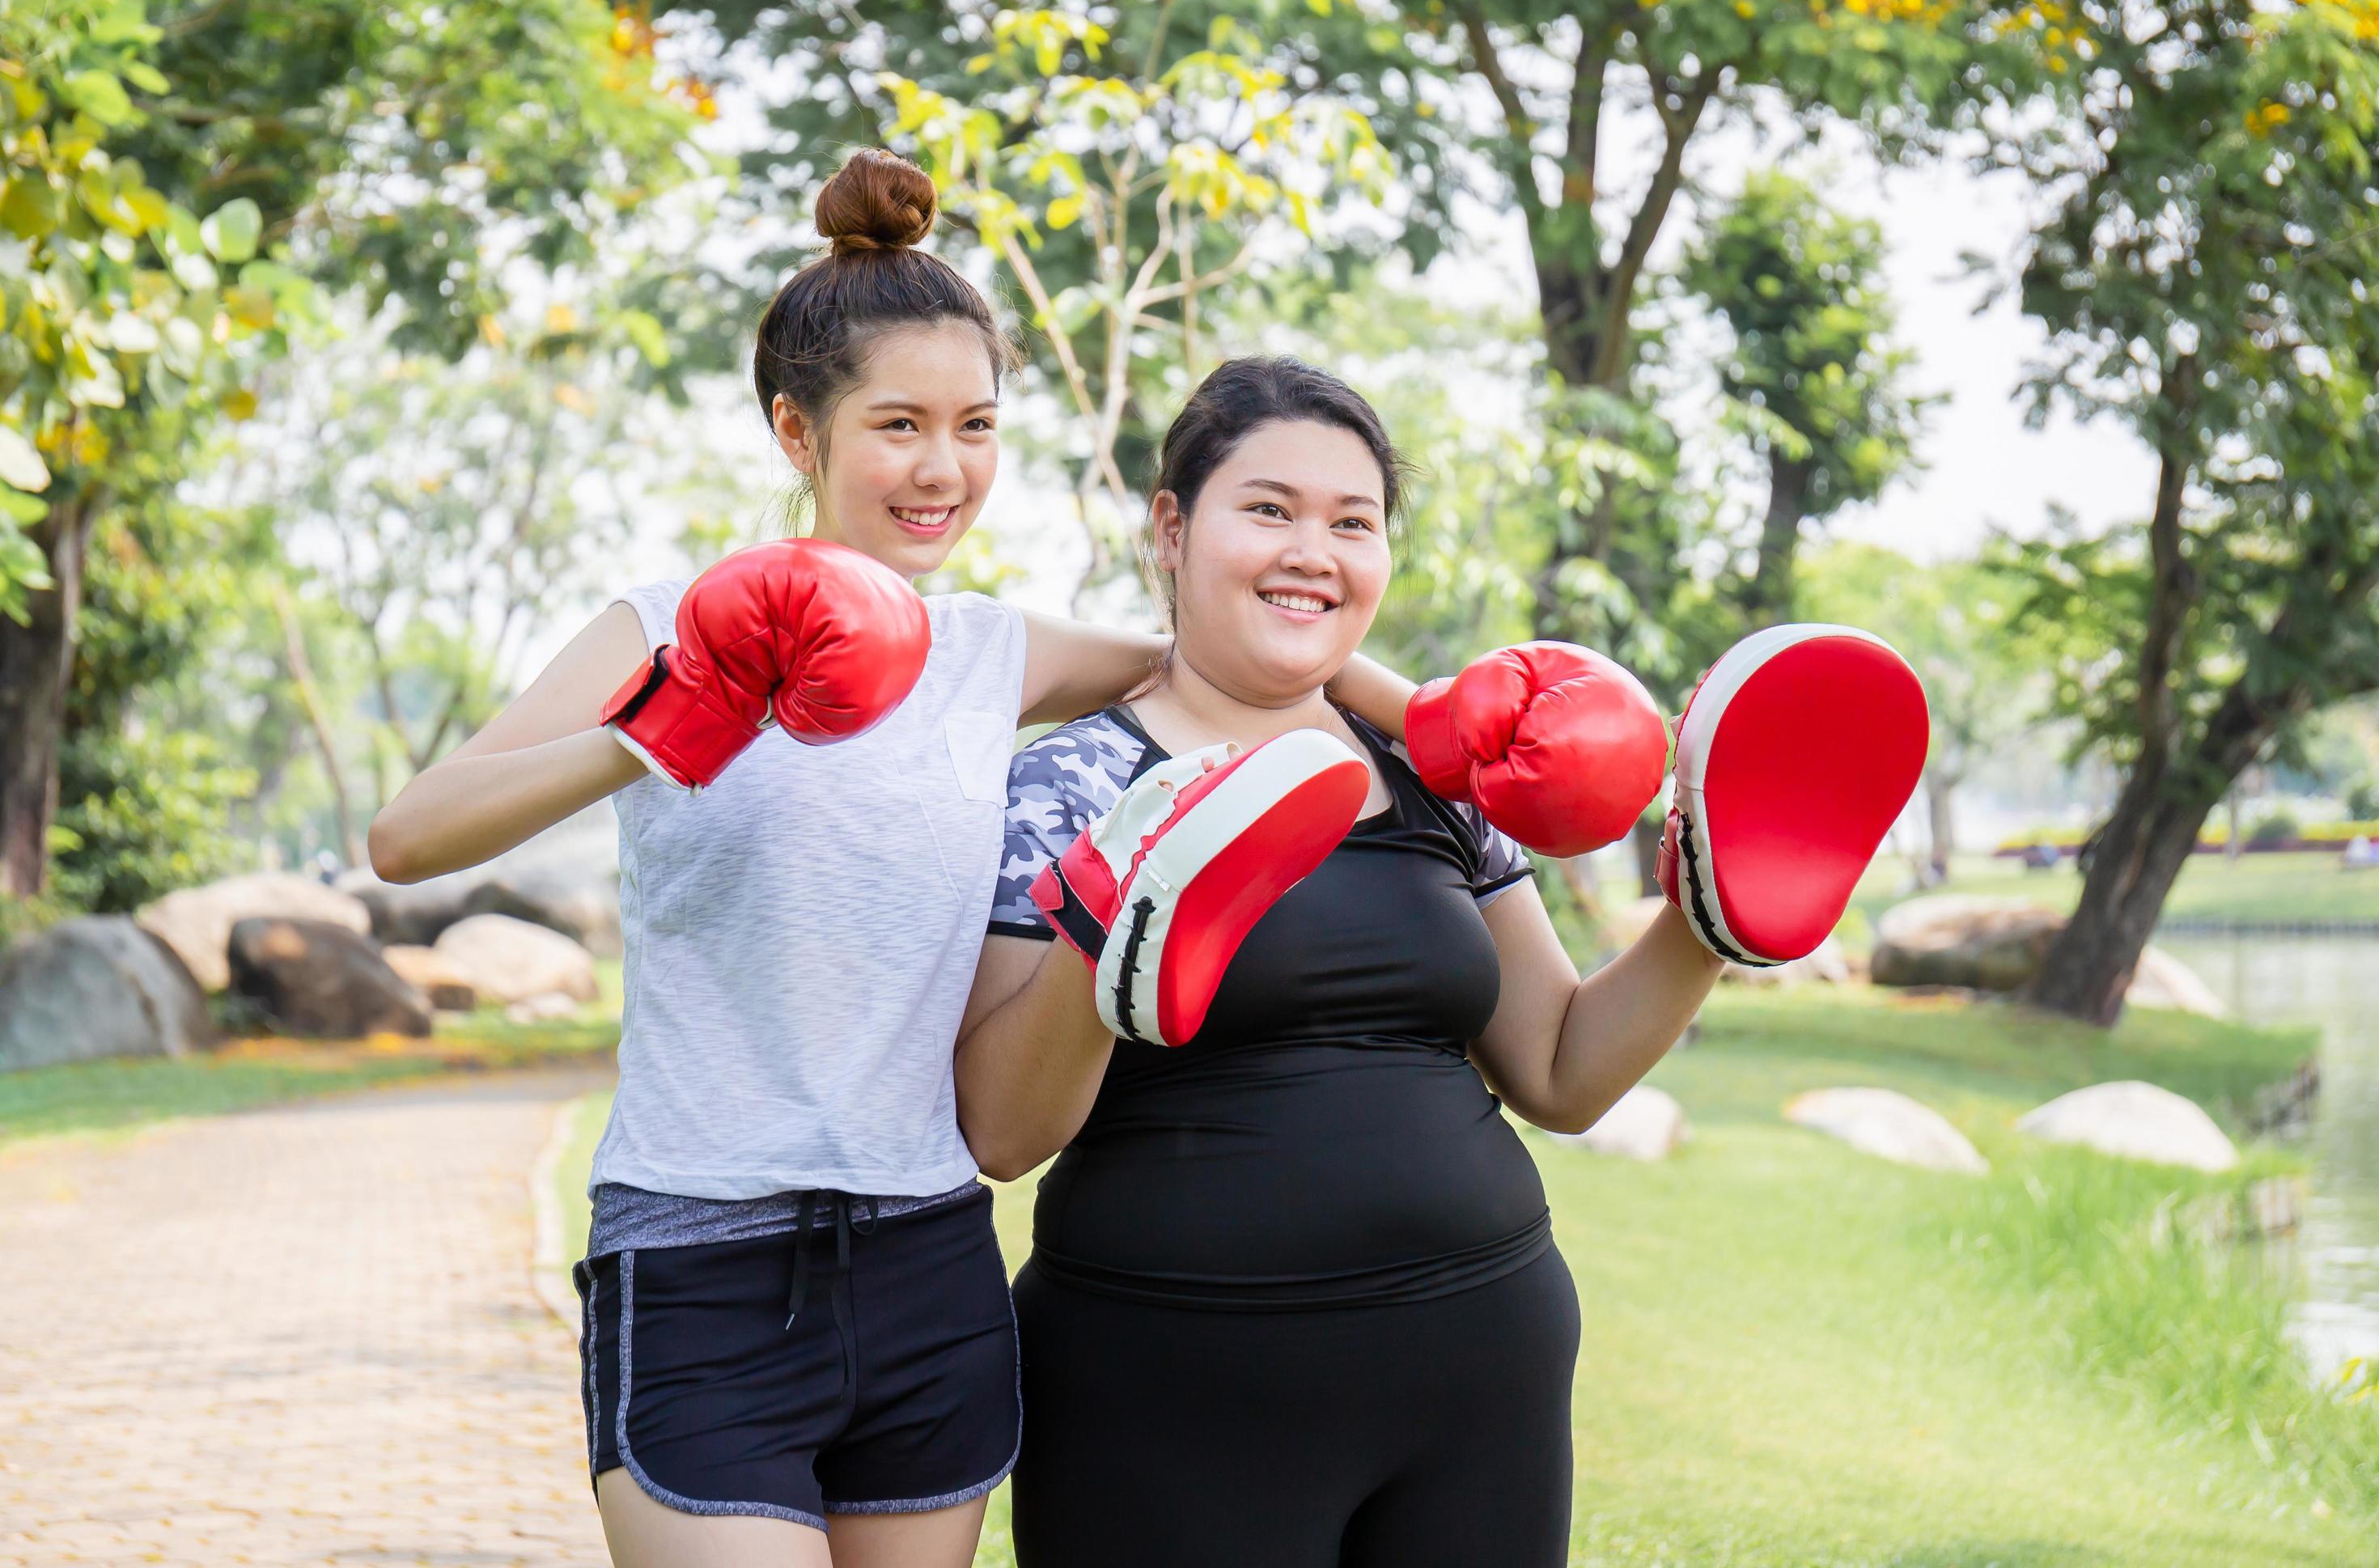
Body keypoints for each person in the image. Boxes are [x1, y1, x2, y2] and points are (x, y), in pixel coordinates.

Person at [368, 159, 1418, 1568]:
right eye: (901, 425)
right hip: (698, 1254)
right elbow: (408, 836)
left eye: (976, 426)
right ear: (799, 431)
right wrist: (667, 725)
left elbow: (1236, 645)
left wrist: (1461, 719)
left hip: (928, 1258)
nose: (943, 469)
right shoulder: (663, 620)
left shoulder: (989, 652)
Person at [956, 355, 1927, 1567]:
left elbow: (1560, 1071)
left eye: (1352, 523)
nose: (1314, 549)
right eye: (1268, 509)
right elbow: (1002, 1131)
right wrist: (1108, 921)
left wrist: (1706, 923)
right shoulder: (1071, 782)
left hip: (1481, 1361)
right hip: (1176, 1381)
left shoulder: (1437, 776)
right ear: (1171, 527)